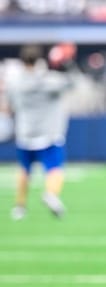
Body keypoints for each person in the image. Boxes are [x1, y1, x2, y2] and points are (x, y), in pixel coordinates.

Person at [5, 44, 76, 220]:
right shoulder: (49, 80)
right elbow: (71, 83)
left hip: (25, 131)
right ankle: (51, 194)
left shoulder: (15, 82)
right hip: (49, 132)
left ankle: (20, 207)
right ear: (40, 60)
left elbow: (10, 104)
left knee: (24, 170)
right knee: (54, 168)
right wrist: (67, 64)